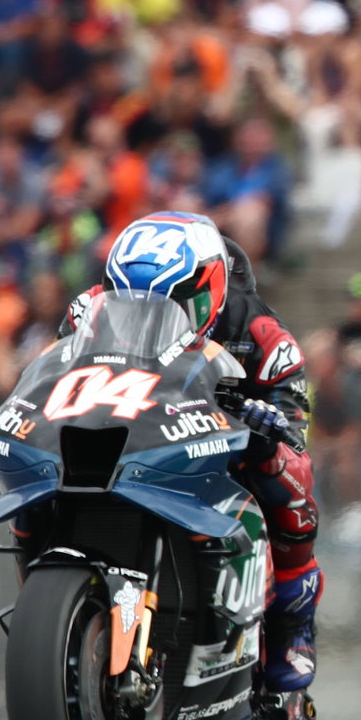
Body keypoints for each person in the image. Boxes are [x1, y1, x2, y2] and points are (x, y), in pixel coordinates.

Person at [59, 212, 320, 693]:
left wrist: (267, 420)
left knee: (286, 468)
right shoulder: (86, 310)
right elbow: (55, 375)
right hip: (127, 431)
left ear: (213, 289)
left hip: (217, 443)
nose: (153, 315)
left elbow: (295, 419)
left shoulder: (261, 331)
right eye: (133, 302)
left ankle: (293, 623)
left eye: (178, 304)